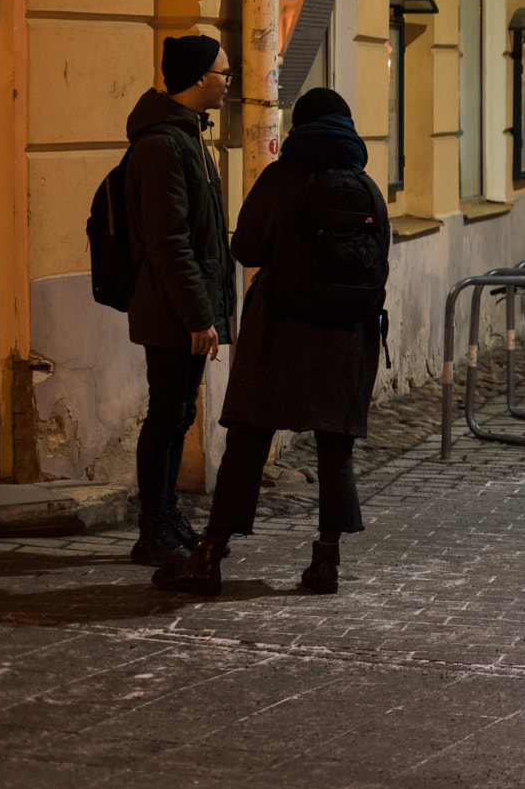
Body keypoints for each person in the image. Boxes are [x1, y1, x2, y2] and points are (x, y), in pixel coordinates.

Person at [154, 88, 391, 596]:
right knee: (335, 448)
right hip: (346, 339)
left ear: (300, 128)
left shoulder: (284, 177)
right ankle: (325, 563)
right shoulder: (367, 187)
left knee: (247, 440)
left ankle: (210, 559)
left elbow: (245, 247)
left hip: (279, 333)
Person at [124, 36, 236, 567]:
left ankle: (167, 519)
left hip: (186, 308)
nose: (229, 78)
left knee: (177, 414)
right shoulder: (163, 145)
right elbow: (169, 240)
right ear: (197, 79)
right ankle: (153, 530)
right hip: (171, 310)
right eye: (222, 71)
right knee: (166, 416)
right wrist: (199, 314)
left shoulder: (189, 136)